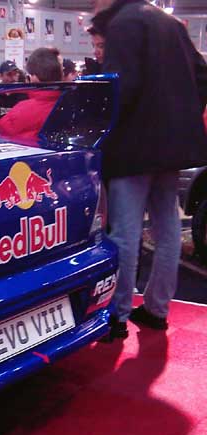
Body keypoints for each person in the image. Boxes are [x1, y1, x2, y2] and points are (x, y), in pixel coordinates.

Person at [91, 0, 207, 338]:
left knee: (125, 233)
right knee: (167, 229)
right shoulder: (169, 24)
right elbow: (202, 76)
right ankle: (157, 309)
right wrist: (181, 114)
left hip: (133, 148)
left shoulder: (123, 24)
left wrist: (106, 130)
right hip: (171, 147)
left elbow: (120, 90)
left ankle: (117, 316)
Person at [0, 47, 63, 143]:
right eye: (10, 74)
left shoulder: (18, 112)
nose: (13, 78)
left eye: (15, 74)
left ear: (34, 77)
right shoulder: (73, 106)